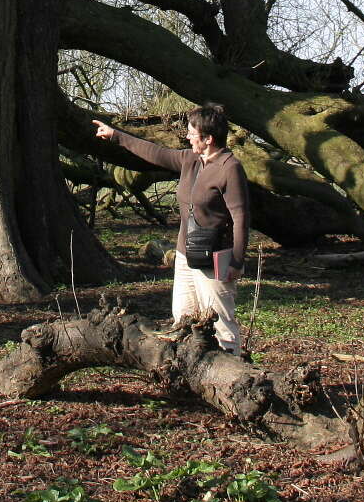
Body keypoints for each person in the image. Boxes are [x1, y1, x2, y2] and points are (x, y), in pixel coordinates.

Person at [94, 103, 249, 355]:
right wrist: (116, 136)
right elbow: (155, 152)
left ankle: (234, 373)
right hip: (186, 255)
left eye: (192, 133)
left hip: (216, 258)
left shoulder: (229, 168)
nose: (187, 136)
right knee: (183, 318)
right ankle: (194, 372)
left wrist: (237, 262)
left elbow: (240, 217)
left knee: (221, 323)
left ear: (208, 139)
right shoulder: (190, 160)